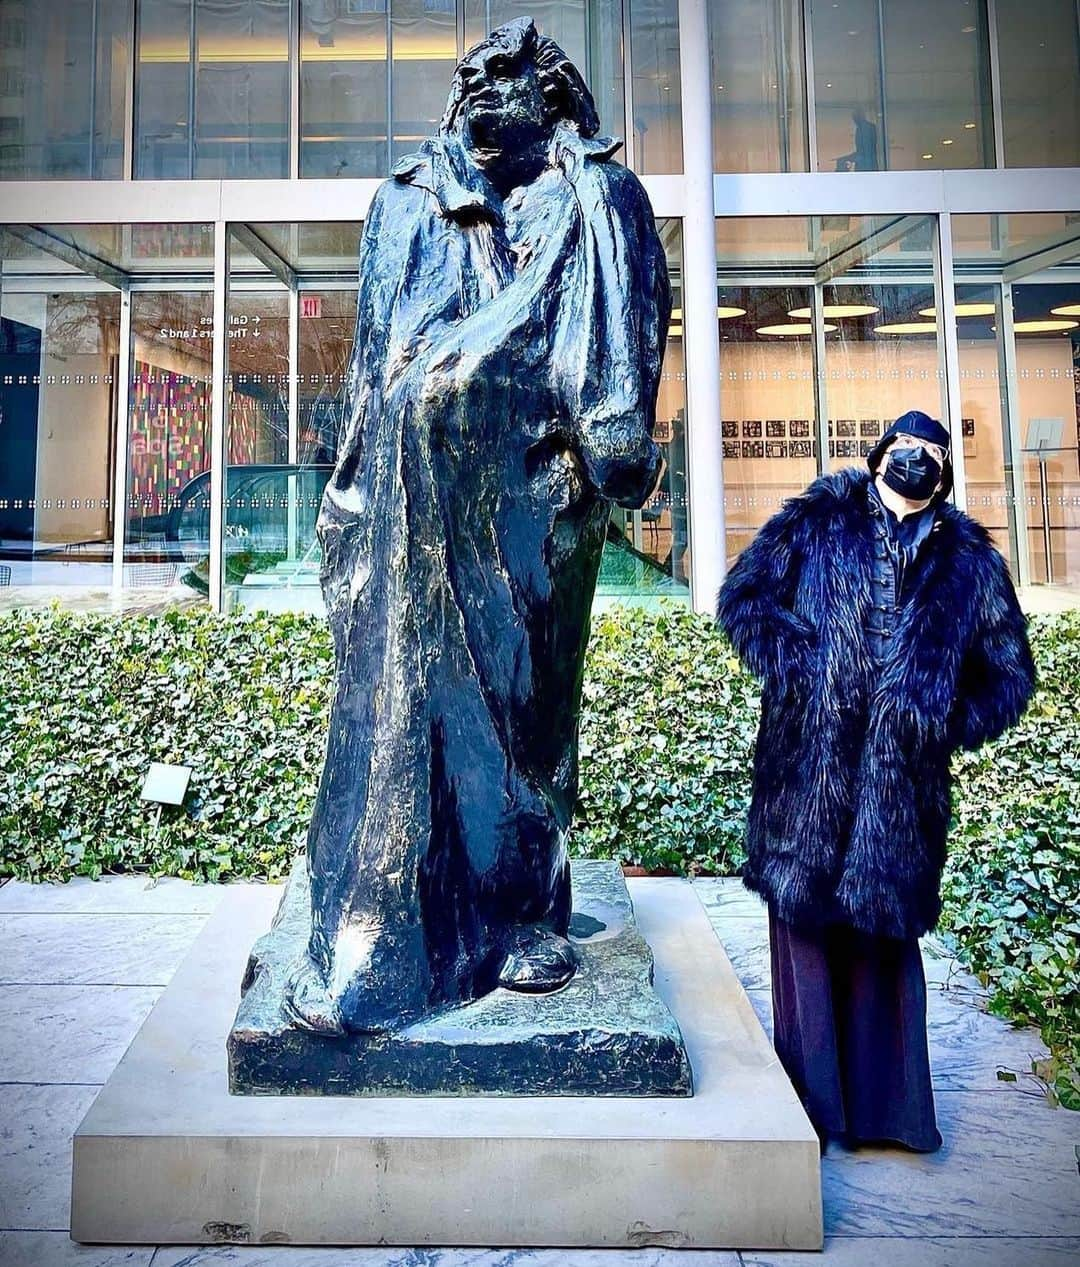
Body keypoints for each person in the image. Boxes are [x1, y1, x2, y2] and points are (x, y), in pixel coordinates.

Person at [284, 18, 670, 1035]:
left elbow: (624, 367)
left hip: (533, 507)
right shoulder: (407, 200)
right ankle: (388, 930)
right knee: (402, 702)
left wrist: (600, 454)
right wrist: (353, 489)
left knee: (528, 704)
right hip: (411, 513)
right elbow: (374, 357)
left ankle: (518, 909)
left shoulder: (600, 199)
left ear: (552, 94)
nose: (478, 93)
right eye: (470, 80)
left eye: (503, 77)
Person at [715, 409, 1036, 1152]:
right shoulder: (820, 517)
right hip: (807, 777)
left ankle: (890, 1115)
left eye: (930, 450)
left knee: (882, 949)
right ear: (881, 452)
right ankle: (815, 1109)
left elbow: (1011, 676)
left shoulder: (970, 563)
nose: (915, 459)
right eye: (905, 447)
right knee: (807, 934)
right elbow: (743, 598)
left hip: (900, 794)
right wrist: (798, 667)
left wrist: (939, 719)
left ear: (945, 468)